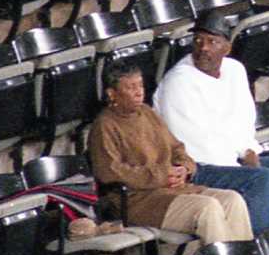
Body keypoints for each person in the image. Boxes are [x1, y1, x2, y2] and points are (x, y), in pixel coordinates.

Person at [154, 12, 269, 233]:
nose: (203, 48)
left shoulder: (234, 70)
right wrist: (244, 168)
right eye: (198, 40)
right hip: (201, 168)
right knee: (262, 180)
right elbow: (194, 143)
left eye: (212, 41)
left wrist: (248, 151)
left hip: (235, 162)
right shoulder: (178, 82)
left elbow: (243, 118)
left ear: (226, 48)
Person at [87, 66, 253, 245]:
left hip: (175, 189)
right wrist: (161, 175)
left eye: (140, 86)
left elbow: (177, 148)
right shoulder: (104, 125)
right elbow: (110, 172)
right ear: (112, 93)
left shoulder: (148, 113)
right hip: (139, 200)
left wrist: (184, 169)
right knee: (207, 207)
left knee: (232, 199)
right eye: (130, 88)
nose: (138, 92)